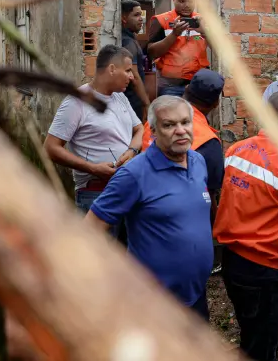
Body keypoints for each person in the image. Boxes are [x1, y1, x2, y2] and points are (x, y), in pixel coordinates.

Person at [84, 96, 214, 319]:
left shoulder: (198, 161)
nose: (181, 130)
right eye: (169, 125)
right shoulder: (134, 174)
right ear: (152, 131)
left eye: (185, 122)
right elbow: (89, 228)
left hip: (195, 298)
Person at [214, 92, 278, 361]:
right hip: (265, 267)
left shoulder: (236, 149)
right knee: (263, 345)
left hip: (232, 260)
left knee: (250, 328)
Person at [45, 45, 144, 219]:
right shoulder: (77, 102)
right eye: (128, 70)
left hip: (126, 190)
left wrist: (132, 151)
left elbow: (139, 129)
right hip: (95, 194)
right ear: (112, 69)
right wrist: (93, 168)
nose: (131, 76)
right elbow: (51, 148)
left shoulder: (120, 97)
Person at [141, 69, 225, 203]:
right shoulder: (209, 142)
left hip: (144, 200)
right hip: (178, 208)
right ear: (216, 104)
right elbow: (209, 197)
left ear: (186, 89)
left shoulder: (155, 120)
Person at [146, 0, 209, 97]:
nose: (187, 5)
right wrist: (174, 34)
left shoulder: (202, 21)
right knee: (171, 114)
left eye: (191, 1)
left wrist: (205, 33)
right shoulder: (161, 20)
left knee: (197, 114)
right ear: (173, 0)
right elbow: (152, 53)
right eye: (182, 1)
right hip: (171, 85)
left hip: (198, 83)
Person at [120, 0, 150, 121]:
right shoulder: (127, 42)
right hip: (131, 100)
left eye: (141, 15)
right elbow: (135, 76)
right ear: (124, 18)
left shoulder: (131, 38)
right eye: (136, 15)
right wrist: (147, 103)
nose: (141, 19)